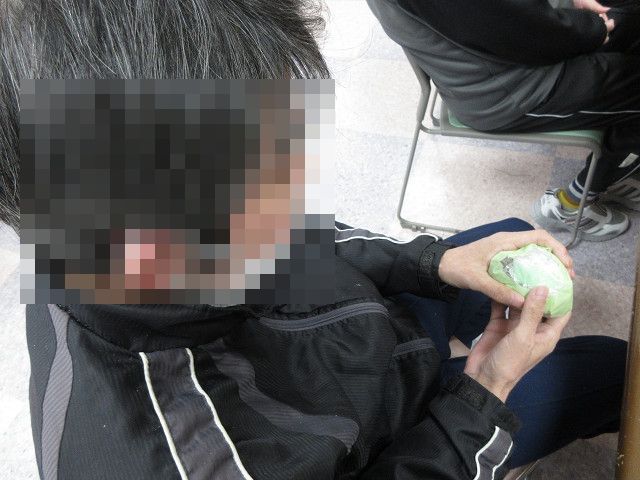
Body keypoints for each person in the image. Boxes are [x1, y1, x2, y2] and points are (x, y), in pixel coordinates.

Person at [0, 0, 627, 479]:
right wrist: (482, 397)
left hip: (372, 342)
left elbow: (309, 237)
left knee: (513, 240)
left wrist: (433, 261)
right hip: (399, 432)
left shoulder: (111, 231)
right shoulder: (179, 454)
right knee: (615, 373)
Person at [367, 0, 640, 242]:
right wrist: (593, 30)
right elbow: (521, 31)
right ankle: (572, 203)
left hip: (504, 57)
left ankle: (616, 170)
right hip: (509, 91)